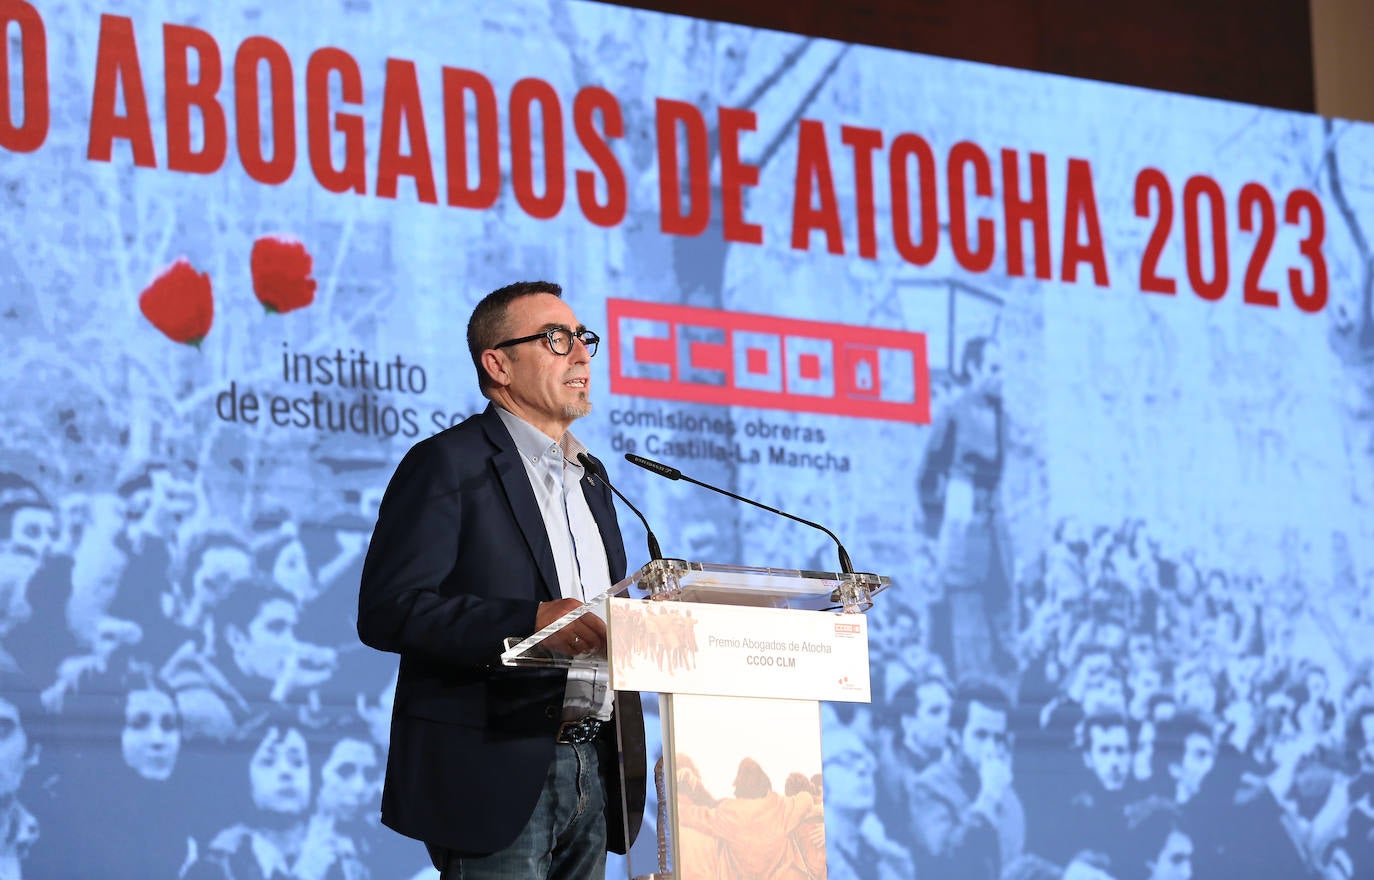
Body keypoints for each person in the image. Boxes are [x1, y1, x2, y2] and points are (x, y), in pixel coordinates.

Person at [356, 281, 646, 879]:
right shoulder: (447, 464)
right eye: (555, 339)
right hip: (494, 765)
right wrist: (526, 624)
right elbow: (389, 609)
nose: (582, 355)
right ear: (499, 364)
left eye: (582, 338)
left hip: (595, 759)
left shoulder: (593, 479)